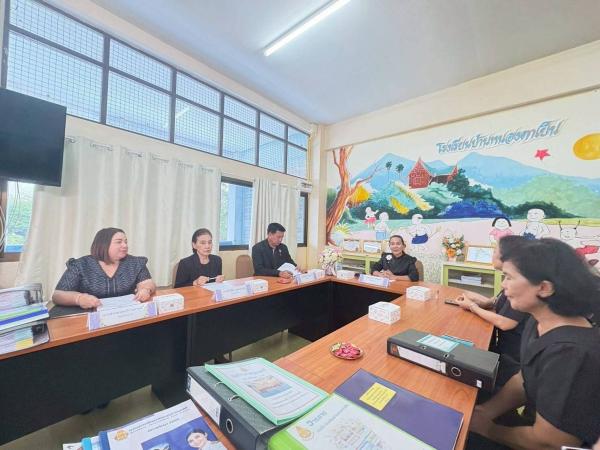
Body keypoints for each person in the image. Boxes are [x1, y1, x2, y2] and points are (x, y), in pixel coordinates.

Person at [468, 238, 600, 449]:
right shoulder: (537, 321)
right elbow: (524, 378)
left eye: (509, 277)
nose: (503, 285)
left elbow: (550, 442)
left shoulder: (572, 354)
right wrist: (485, 412)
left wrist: (488, 429)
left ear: (544, 288)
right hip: (531, 426)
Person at [455, 235, 530, 386]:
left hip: (513, 357)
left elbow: (506, 323)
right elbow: (496, 301)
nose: (492, 254)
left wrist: (473, 307)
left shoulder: (520, 283)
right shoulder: (510, 278)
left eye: (495, 251)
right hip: (502, 347)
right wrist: (478, 301)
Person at [52, 228, 155, 309]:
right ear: (103, 245)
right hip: (90, 317)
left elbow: (148, 283)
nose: (125, 245)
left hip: (127, 313)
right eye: (119, 242)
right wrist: (79, 298)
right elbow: (58, 295)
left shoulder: (136, 262)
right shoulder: (80, 265)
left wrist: (146, 290)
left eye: (125, 242)